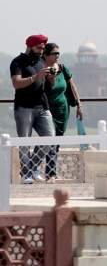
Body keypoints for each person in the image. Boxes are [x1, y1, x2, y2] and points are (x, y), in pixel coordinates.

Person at [10, 35, 56, 183]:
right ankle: (26, 175)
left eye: (43, 48)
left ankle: (32, 167)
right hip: (24, 108)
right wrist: (36, 76)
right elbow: (16, 83)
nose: (41, 51)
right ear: (30, 46)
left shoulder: (42, 61)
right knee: (25, 142)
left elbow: (49, 86)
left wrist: (50, 78)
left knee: (50, 138)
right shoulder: (17, 62)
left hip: (42, 106)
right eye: (38, 48)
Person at [41, 43, 82, 137]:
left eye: (58, 53)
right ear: (45, 55)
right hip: (46, 110)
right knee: (48, 136)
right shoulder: (40, 70)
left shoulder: (63, 68)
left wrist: (79, 105)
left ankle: (54, 152)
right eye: (54, 53)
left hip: (62, 109)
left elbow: (72, 87)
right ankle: (43, 152)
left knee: (59, 135)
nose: (57, 55)